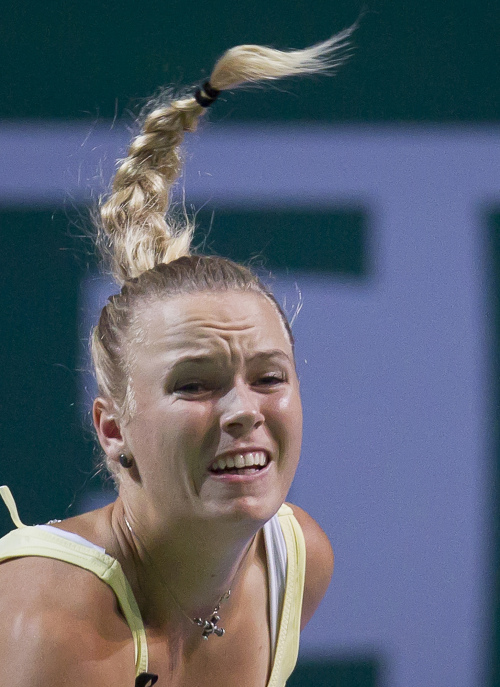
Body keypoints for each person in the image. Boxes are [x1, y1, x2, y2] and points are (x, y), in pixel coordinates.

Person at [0, 30, 353, 687]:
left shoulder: (297, 560)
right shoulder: (44, 624)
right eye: (195, 385)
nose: (245, 411)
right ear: (113, 428)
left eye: (268, 377)